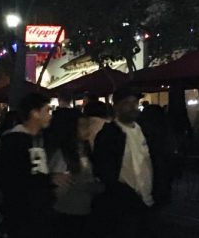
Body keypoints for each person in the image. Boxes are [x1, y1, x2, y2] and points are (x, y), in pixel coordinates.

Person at [92, 87, 168, 237]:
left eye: (135, 102)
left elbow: (156, 161)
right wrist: (121, 192)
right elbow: (104, 169)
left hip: (149, 201)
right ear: (116, 106)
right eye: (127, 103)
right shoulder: (109, 135)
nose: (133, 106)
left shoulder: (146, 131)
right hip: (124, 205)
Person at [0, 92, 54, 238]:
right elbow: (10, 179)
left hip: (39, 213)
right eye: (47, 110)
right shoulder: (14, 141)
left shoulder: (41, 139)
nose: (50, 115)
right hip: (22, 214)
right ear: (34, 113)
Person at [47, 114, 102, 236]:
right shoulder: (62, 155)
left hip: (85, 208)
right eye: (82, 126)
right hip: (67, 211)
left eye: (88, 125)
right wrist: (84, 186)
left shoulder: (86, 150)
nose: (87, 129)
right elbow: (58, 188)